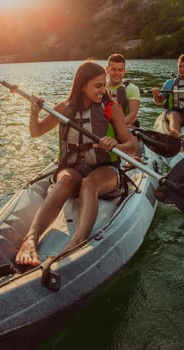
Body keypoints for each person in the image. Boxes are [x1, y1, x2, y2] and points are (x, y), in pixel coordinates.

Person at [15, 60, 135, 267]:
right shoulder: (64, 108)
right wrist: (33, 112)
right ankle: (30, 239)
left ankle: (77, 241)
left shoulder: (111, 108)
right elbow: (36, 132)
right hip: (73, 168)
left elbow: (131, 146)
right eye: (97, 86)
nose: (102, 90)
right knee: (65, 180)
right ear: (82, 86)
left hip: (104, 170)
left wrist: (115, 143)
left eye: (103, 85)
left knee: (89, 183)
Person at [152, 54, 184, 138]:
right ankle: (175, 133)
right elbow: (159, 101)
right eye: (180, 66)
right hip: (174, 112)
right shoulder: (170, 83)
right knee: (174, 116)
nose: (182, 69)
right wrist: (155, 94)